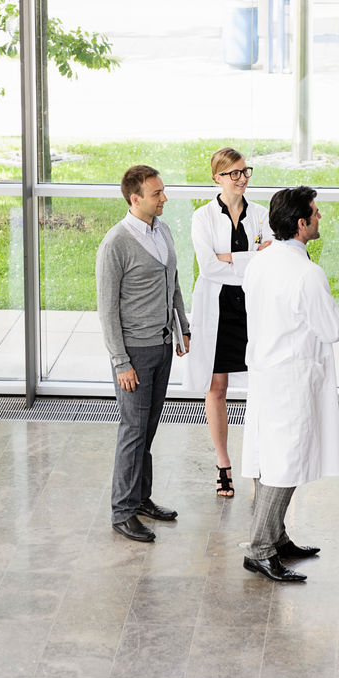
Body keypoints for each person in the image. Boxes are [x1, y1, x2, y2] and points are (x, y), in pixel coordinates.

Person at [241, 186, 339, 582]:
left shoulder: (259, 263)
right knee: (285, 465)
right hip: (291, 379)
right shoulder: (307, 274)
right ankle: (260, 550)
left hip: (265, 374)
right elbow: (331, 327)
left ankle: (277, 538)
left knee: (270, 460)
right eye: (315, 212)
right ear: (301, 223)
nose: (320, 217)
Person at [95, 165, 190, 543]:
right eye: (157, 194)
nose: (164, 198)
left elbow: (174, 280)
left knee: (147, 429)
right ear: (135, 199)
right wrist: (121, 363)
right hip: (134, 352)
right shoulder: (115, 244)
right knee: (133, 432)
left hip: (163, 345)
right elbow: (107, 310)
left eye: (162, 191)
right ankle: (122, 511)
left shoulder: (161, 230)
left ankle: (141, 499)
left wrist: (182, 326)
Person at [186, 148, 271, 498]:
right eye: (233, 173)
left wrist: (230, 259)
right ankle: (224, 466)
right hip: (218, 309)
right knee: (216, 387)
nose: (242, 179)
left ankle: (258, 464)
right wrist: (250, 258)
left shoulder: (262, 214)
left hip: (253, 307)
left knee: (260, 387)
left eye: (245, 172)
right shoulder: (202, 218)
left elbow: (273, 257)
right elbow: (208, 267)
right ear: (217, 178)